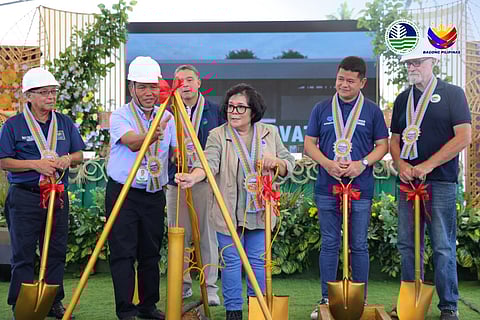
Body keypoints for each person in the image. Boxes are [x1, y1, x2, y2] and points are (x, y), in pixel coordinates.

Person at [175, 83, 295, 320]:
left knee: (258, 263)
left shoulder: (270, 134)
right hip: (227, 212)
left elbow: (288, 162)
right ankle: (233, 311)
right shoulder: (217, 135)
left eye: (241, 107)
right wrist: (193, 176)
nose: (234, 112)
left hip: (260, 212)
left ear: (253, 111)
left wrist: (277, 163)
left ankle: (257, 309)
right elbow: (208, 164)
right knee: (230, 261)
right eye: (231, 107)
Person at [390, 45, 471, 320]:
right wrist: (400, 164)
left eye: (417, 62)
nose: (412, 67)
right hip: (407, 183)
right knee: (406, 244)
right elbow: (394, 139)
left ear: (433, 61)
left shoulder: (453, 94)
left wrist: (428, 165)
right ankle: (410, 302)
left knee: (442, 245)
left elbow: (463, 137)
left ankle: (449, 306)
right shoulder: (402, 99)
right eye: (408, 63)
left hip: (441, 182)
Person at [304, 56, 389, 320]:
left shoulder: (372, 111)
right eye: (340, 78)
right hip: (327, 187)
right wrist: (328, 164)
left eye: (350, 80)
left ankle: (359, 301)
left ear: (362, 82)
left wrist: (362, 164)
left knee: (359, 244)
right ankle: (326, 299)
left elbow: (383, 146)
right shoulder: (321, 108)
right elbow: (309, 145)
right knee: (329, 243)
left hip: (360, 187)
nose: (344, 84)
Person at [0, 67, 85, 319]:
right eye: (44, 92)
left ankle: (54, 301)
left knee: (56, 249)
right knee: (23, 252)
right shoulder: (13, 126)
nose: (51, 97)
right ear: (29, 96)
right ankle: (21, 304)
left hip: (58, 195)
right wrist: (35, 164)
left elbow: (79, 154)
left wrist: (67, 159)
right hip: (25, 196)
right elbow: (3, 160)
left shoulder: (65, 122)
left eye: (53, 92)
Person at [106, 56, 176, 320]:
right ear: (131, 88)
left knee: (151, 251)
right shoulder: (120, 115)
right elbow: (133, 142)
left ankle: (148, 306)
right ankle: (126, 309)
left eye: (153, 87)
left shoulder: (167, 115)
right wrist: (151, 134)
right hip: (123, 193)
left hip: (154, 193)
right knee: (123, 252)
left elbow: (173, 151)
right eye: (142, 87)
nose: (149, 93)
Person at [166, 64, 224, 305]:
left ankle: (210, 288)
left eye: (189, 80)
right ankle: (181, 285)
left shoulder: (215, 111)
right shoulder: (167, 111)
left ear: (199, 83)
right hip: (176, 181)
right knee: (179, 235)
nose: (185, 85)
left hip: (203, 182)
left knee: (207, 236)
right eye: (179, 81)